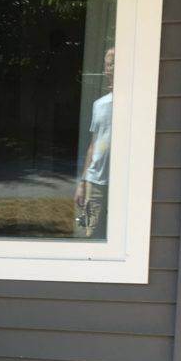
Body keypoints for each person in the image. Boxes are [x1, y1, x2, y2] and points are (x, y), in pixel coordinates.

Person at [75, 47, 114, 239]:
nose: (111, 67)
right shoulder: (99, 105)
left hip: (122, 183)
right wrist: (82, 182)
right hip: (96, 181)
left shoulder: (132, 102)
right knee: (93, 235)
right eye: (108, 63)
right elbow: (94, 145)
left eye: (115, 62)